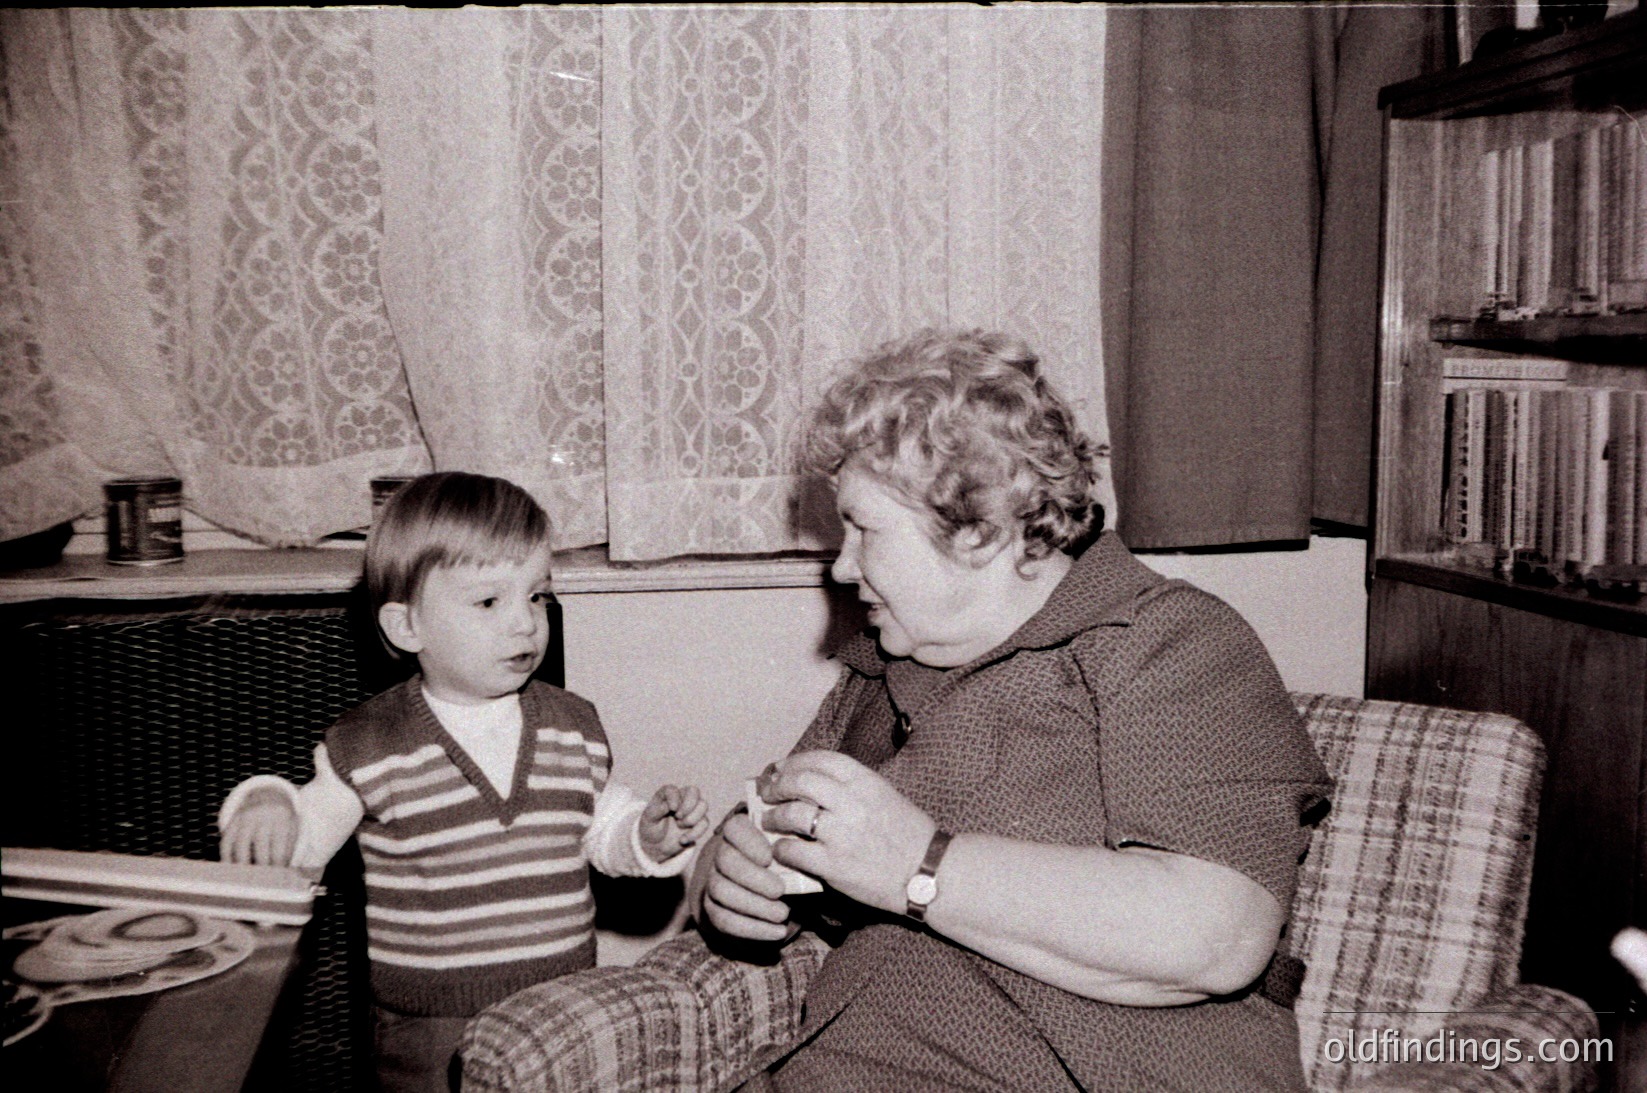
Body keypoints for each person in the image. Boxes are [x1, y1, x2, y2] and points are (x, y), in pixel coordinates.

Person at [693, 329, 1335, 1091]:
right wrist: (726, 875)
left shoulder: (1166, 642)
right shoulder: (878, 674)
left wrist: (917, 864)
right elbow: (759, 837)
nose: (840, 565)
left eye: (864, 528)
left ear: (979, 528)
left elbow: (1218, 933)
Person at [218, 471, 710, 1093]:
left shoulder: (572, 724)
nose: (525, 623)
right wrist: (268, 802)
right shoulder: (373, 742)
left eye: (537, 596)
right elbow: (303, 839)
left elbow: (598, 827)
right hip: (428, 1030)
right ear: (407, 628)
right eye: (488, 601)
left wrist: (646, 837)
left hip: (560, 1009)